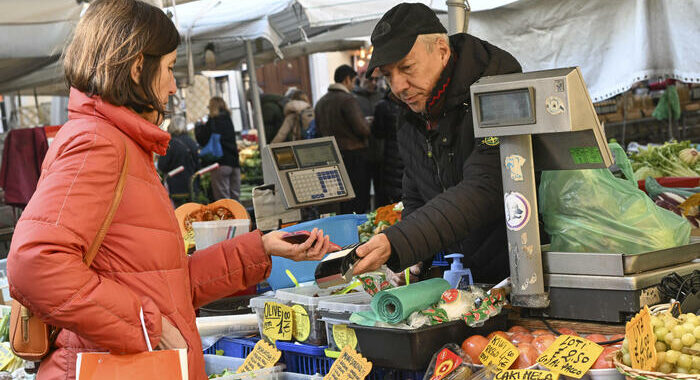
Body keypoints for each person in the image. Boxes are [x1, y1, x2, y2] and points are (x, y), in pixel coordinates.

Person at [6, 1, 333, 379]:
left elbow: (165, 283)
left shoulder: (124, 146)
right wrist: (150, 326)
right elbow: (34, 264)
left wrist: (259, 249)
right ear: (137, 67)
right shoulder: (98, 144)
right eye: (170, 67)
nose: (174, 85)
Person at [353, 3, 522, 284]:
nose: (397, 87)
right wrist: (415, 252)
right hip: (466, 278)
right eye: (387, 76)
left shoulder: (497, 88)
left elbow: (486, 187)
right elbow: (415, 189)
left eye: (406, 68)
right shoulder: (412, 112)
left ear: (442, 51)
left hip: (519, 271)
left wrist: (401, 241)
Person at [315, 65, 371, 214]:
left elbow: (318, 130)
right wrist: (369, 123)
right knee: (357, 200)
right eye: (353, 81)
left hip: (330, 156)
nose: (354, 85)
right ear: (347, 79)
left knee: (341, 201)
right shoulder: (347, 100)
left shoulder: (321, 102)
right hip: (354, 157)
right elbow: (362, 129)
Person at [200, 97, 241, 201]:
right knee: (235, 197)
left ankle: (229, 218)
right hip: (234, 163)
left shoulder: (213, 121)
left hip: (220, 163)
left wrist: (199, 126)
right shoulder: (228, 119)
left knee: (223, 199)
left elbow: (202, 139)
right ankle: (239, 216)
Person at [158, 115, 200, 206]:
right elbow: (198, 165)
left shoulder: (170, 144)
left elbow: (162, 165)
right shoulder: (192, 142)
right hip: (192, 185)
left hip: (175, 187)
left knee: (178, 213)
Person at [372, 90, 404, 205]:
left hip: (390, 155)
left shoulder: (383, 106)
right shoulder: (410, 105)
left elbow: (378, 132)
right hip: (404, 154)